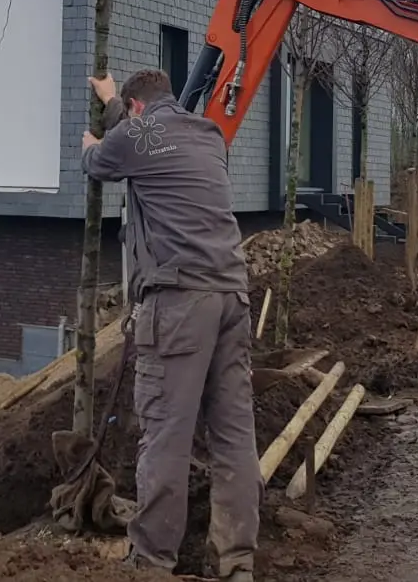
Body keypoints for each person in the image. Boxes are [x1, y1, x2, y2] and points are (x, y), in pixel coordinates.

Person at [79, 67, 261, 582]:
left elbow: (101, 159)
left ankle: (153, 561)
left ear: (135, 108)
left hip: (179, 303)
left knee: (165, 434)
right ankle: (236, 562)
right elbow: (143, 141)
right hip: (231, 296)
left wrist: (90, 141)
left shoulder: (134, 136)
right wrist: (115, 102)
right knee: (233, 435)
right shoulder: (206, 135)